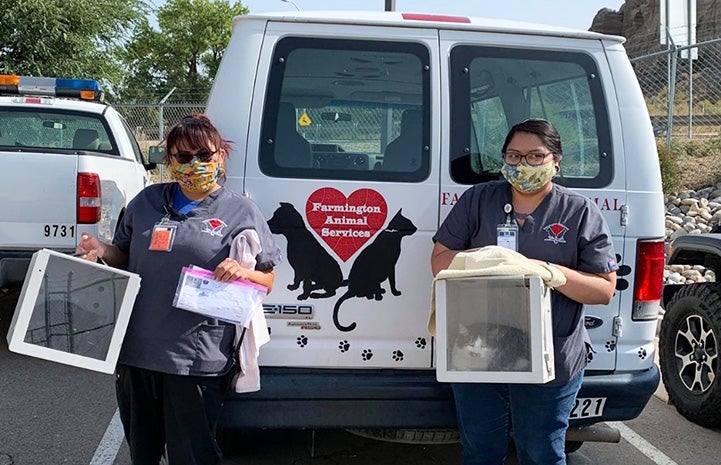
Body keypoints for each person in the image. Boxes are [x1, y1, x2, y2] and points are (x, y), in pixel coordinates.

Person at [76, 114, 281, 465]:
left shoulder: (241, 211)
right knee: (143, 454)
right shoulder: (146, 203)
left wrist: (240, 271)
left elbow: (268, 279)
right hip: (138, 356)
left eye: (204, 155)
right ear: (169, 161)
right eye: (183, 158)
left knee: (193, 456)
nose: (195, 164)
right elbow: (124, 257)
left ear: (220, 156)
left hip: (195, 361)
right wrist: (99, 249)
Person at [430, 118, 618, 465]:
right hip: (478, 356)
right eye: (514, 156)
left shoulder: (578, 212)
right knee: (479, 453)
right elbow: (440, 262)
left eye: (535, 156)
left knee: (540, 453)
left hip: (550, 360)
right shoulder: (478, 200)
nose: (523, 165)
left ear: (555, 161)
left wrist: (553, 273)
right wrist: (490, 257)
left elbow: (604, 289)